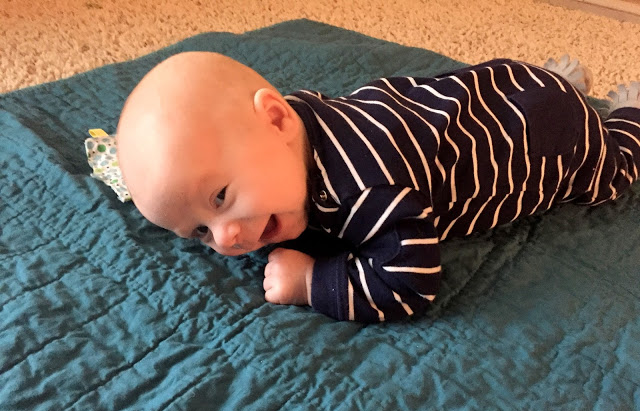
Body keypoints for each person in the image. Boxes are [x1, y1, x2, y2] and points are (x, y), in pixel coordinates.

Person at [116, 51, 640, 323]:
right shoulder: (298, 123)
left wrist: (312, 283)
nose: (227, 238)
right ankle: (554, 85)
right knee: (503, 93)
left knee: (611, 174)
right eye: (201, 232)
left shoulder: (368, 187)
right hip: (503, 86)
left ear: (276, 118)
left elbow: (411, 281)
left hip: (553, 147)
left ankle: (624, 114)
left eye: (220, 198)